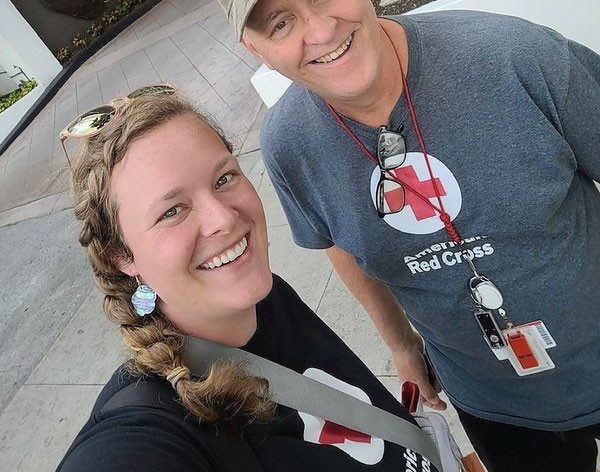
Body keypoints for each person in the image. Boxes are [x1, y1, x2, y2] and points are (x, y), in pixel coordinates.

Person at [200, 0, 600, 472]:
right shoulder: (289, 146)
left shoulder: (518, 57)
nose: (319, 31)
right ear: (254, 49)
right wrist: (401, 345)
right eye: (278, 23)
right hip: (491, 402)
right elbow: (337, 241)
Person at [56, 89, 438, 472]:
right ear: (120, 255)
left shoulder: (267, 298)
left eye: (223, 178)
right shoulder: (150, 431)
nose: (222, 218)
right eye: (172, 211)